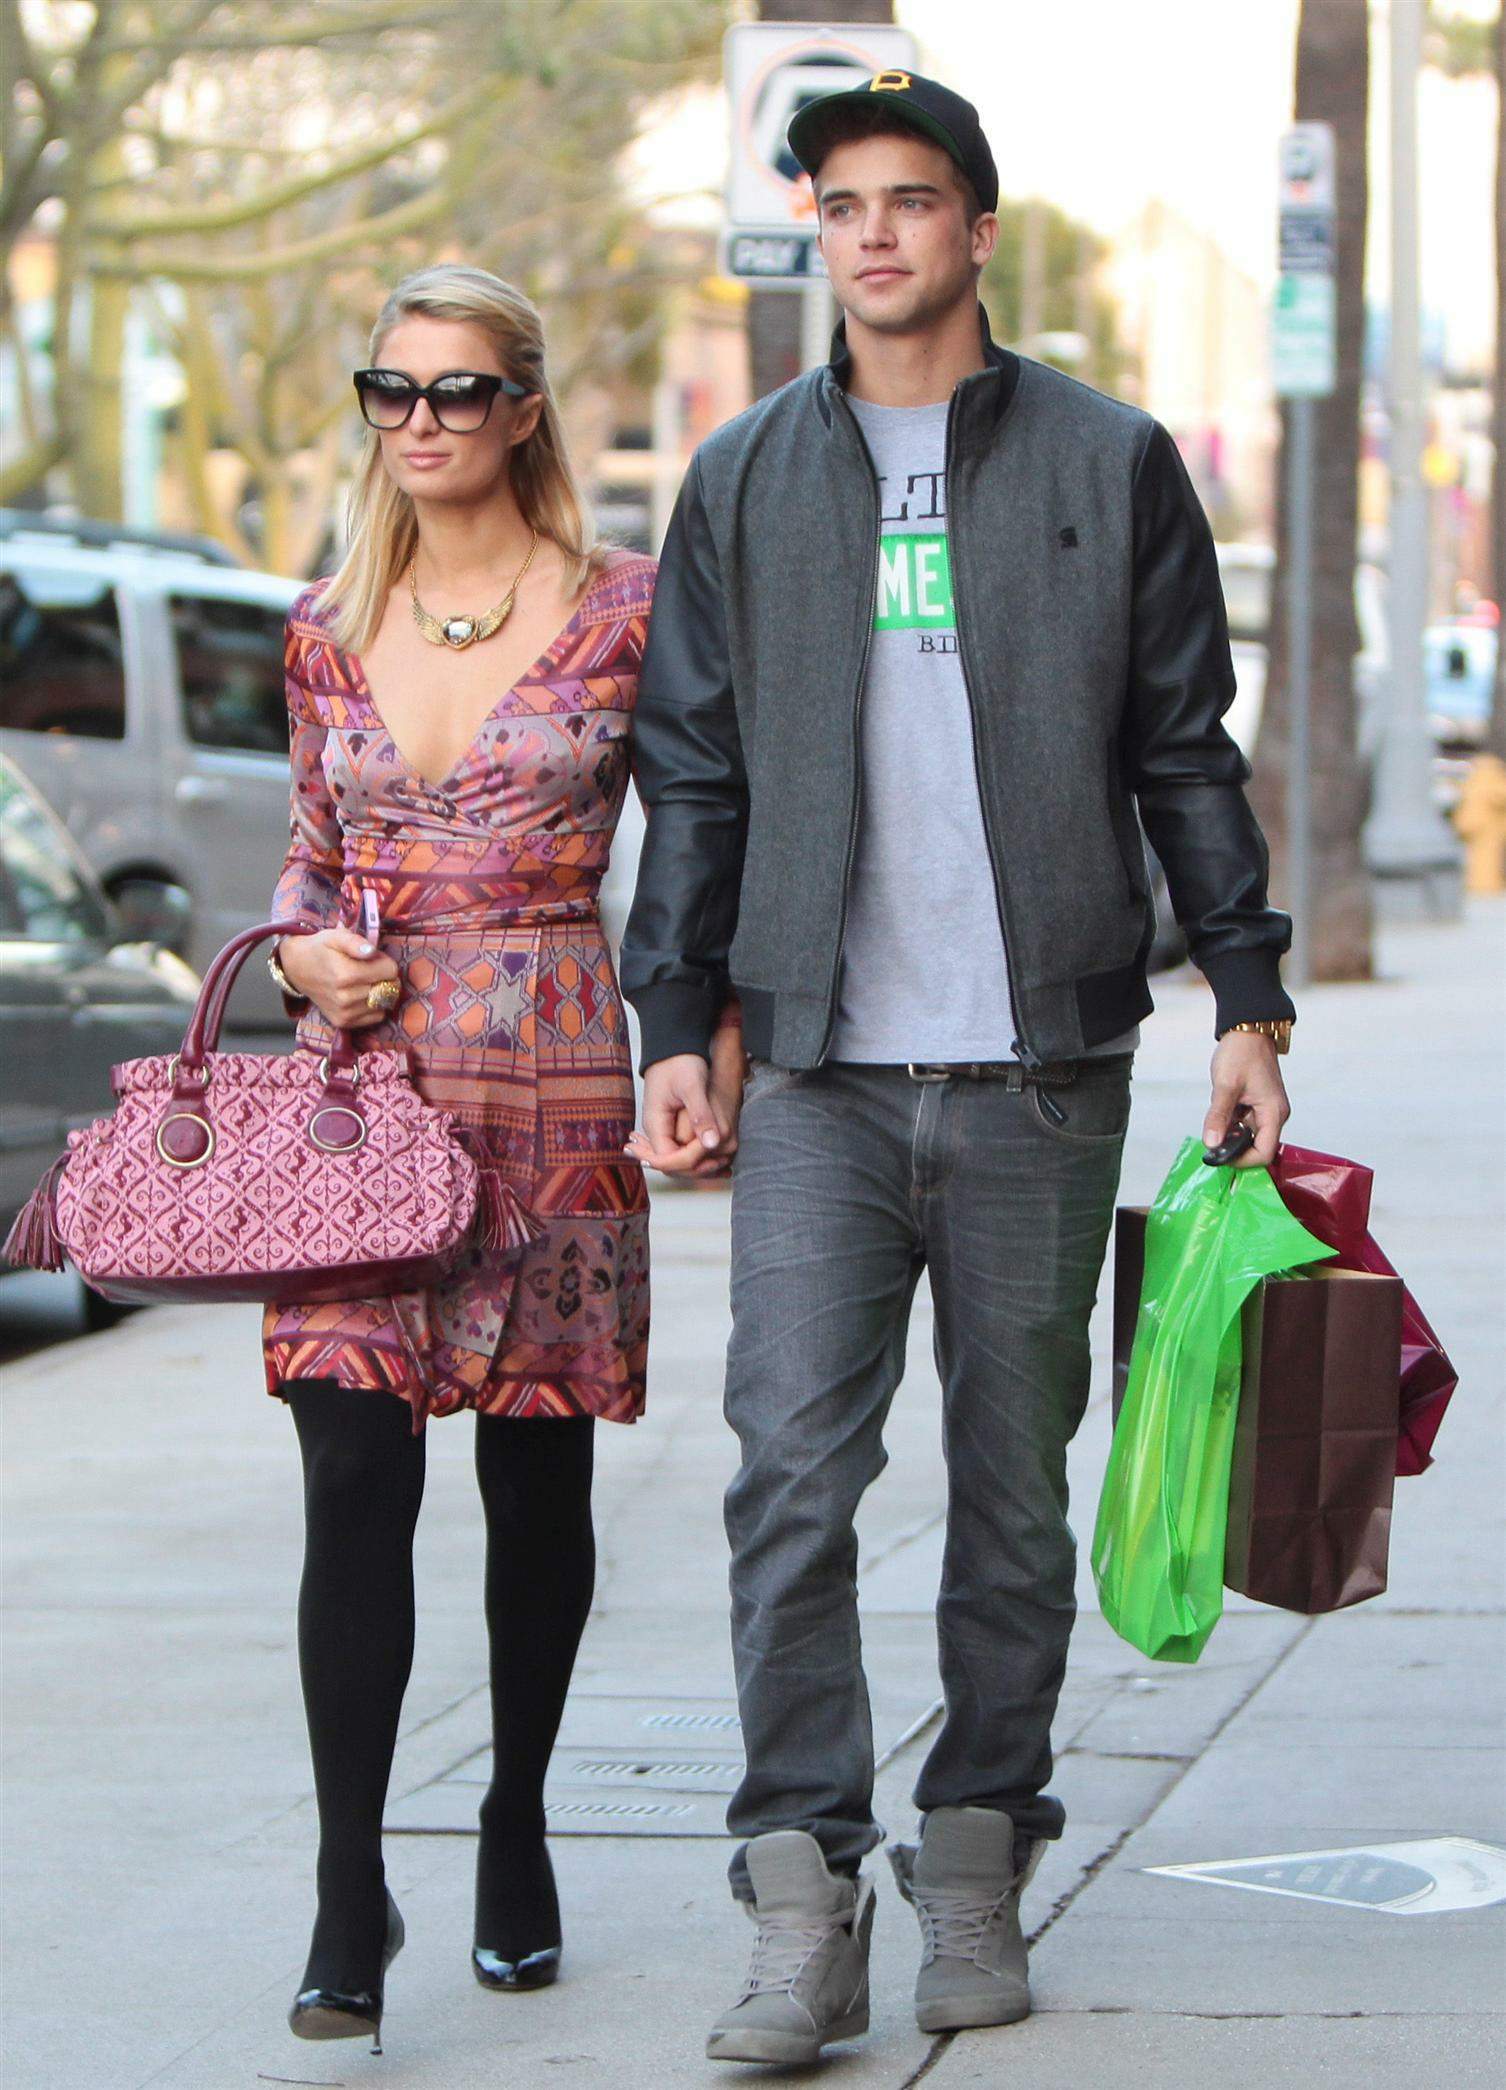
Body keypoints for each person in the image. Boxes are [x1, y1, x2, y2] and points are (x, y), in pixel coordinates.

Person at [622, 75, 1295, 2068]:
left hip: (1042, 1068)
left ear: (979, 231)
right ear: (817, 234)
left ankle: (981, 1844)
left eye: (914, 203)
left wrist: (1246, 995)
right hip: (819, 1067)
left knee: (1012, 1494)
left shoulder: (1108, 456)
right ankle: (799, 1888)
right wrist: (679, 1019)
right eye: (845, 207)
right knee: (790, 1483)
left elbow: (1185, 745)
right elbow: (695, 769)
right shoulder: (747, 476)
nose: (879, 236)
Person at [263, 263, 653, 2051]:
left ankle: (512, 1818)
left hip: (555, 1082)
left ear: (524, 409)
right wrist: (293, 952)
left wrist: (710, 1035)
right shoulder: (324, 619)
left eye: (457, 391)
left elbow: (707, 841)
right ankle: (353, 1878)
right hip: (365, 1094)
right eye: (391, 391)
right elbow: (302, 849)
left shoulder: (626, 611)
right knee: (351, 1475)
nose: (419, 423)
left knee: (533, 1486)